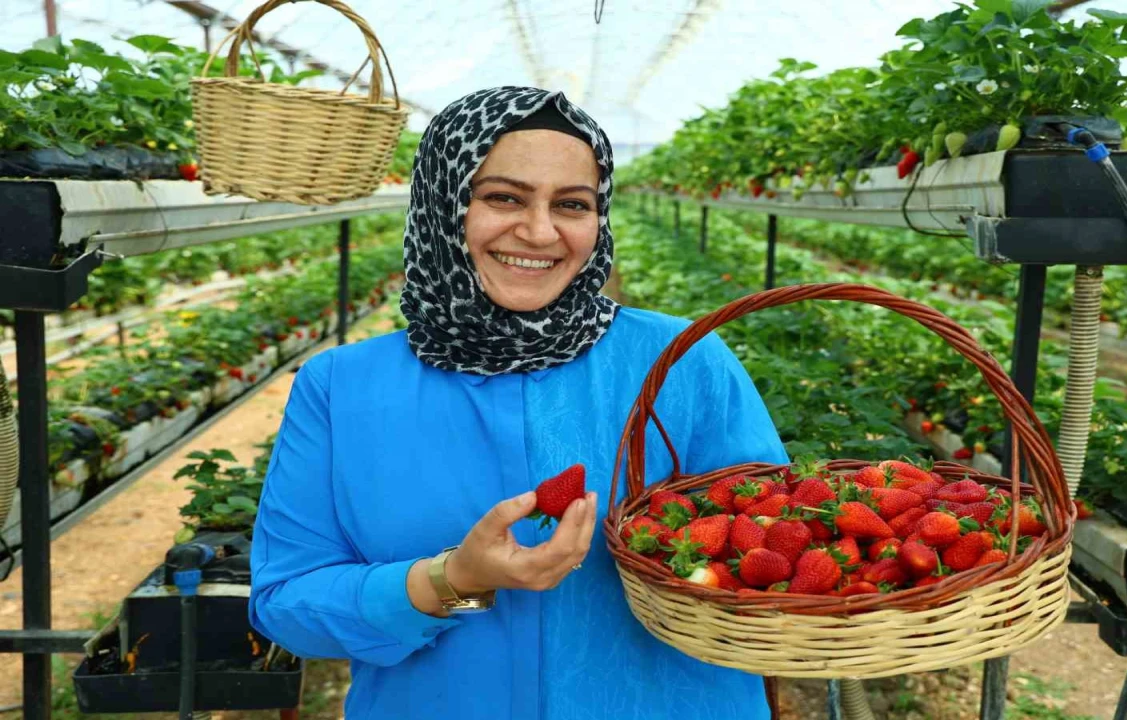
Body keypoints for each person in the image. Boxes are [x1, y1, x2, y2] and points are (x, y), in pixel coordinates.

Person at [249, 86, 790, 720]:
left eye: (572, 204)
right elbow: (286, 603)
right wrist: (452, 579)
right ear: (442, 204)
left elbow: (781, 539)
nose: (538, 231)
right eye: (502, 197)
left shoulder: (680, 360)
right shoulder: (341, 386)